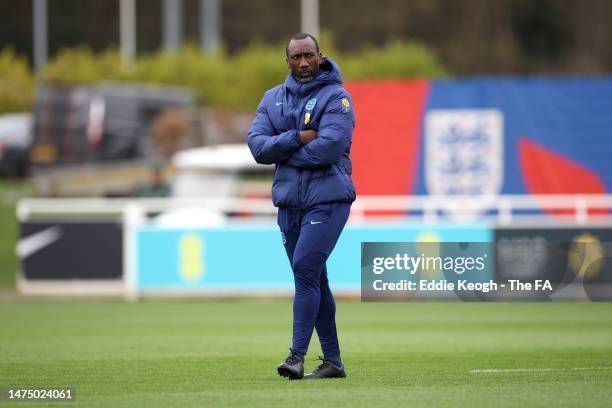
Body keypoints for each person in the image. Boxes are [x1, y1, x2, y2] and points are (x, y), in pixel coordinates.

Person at [247, 33, 356, 380]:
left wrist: (284, 154)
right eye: (296, 57)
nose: (304, 63)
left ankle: (296, 356)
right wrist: (296, 137)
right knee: (314, 278)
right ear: (288, 61)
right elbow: (258, 148)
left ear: (321, 56)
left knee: (305, 270)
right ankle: (334, 362)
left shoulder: (337, 98)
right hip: (290, 205)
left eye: (309, 55)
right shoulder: (272, 99)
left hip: (328, 200)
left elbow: (328, 148)